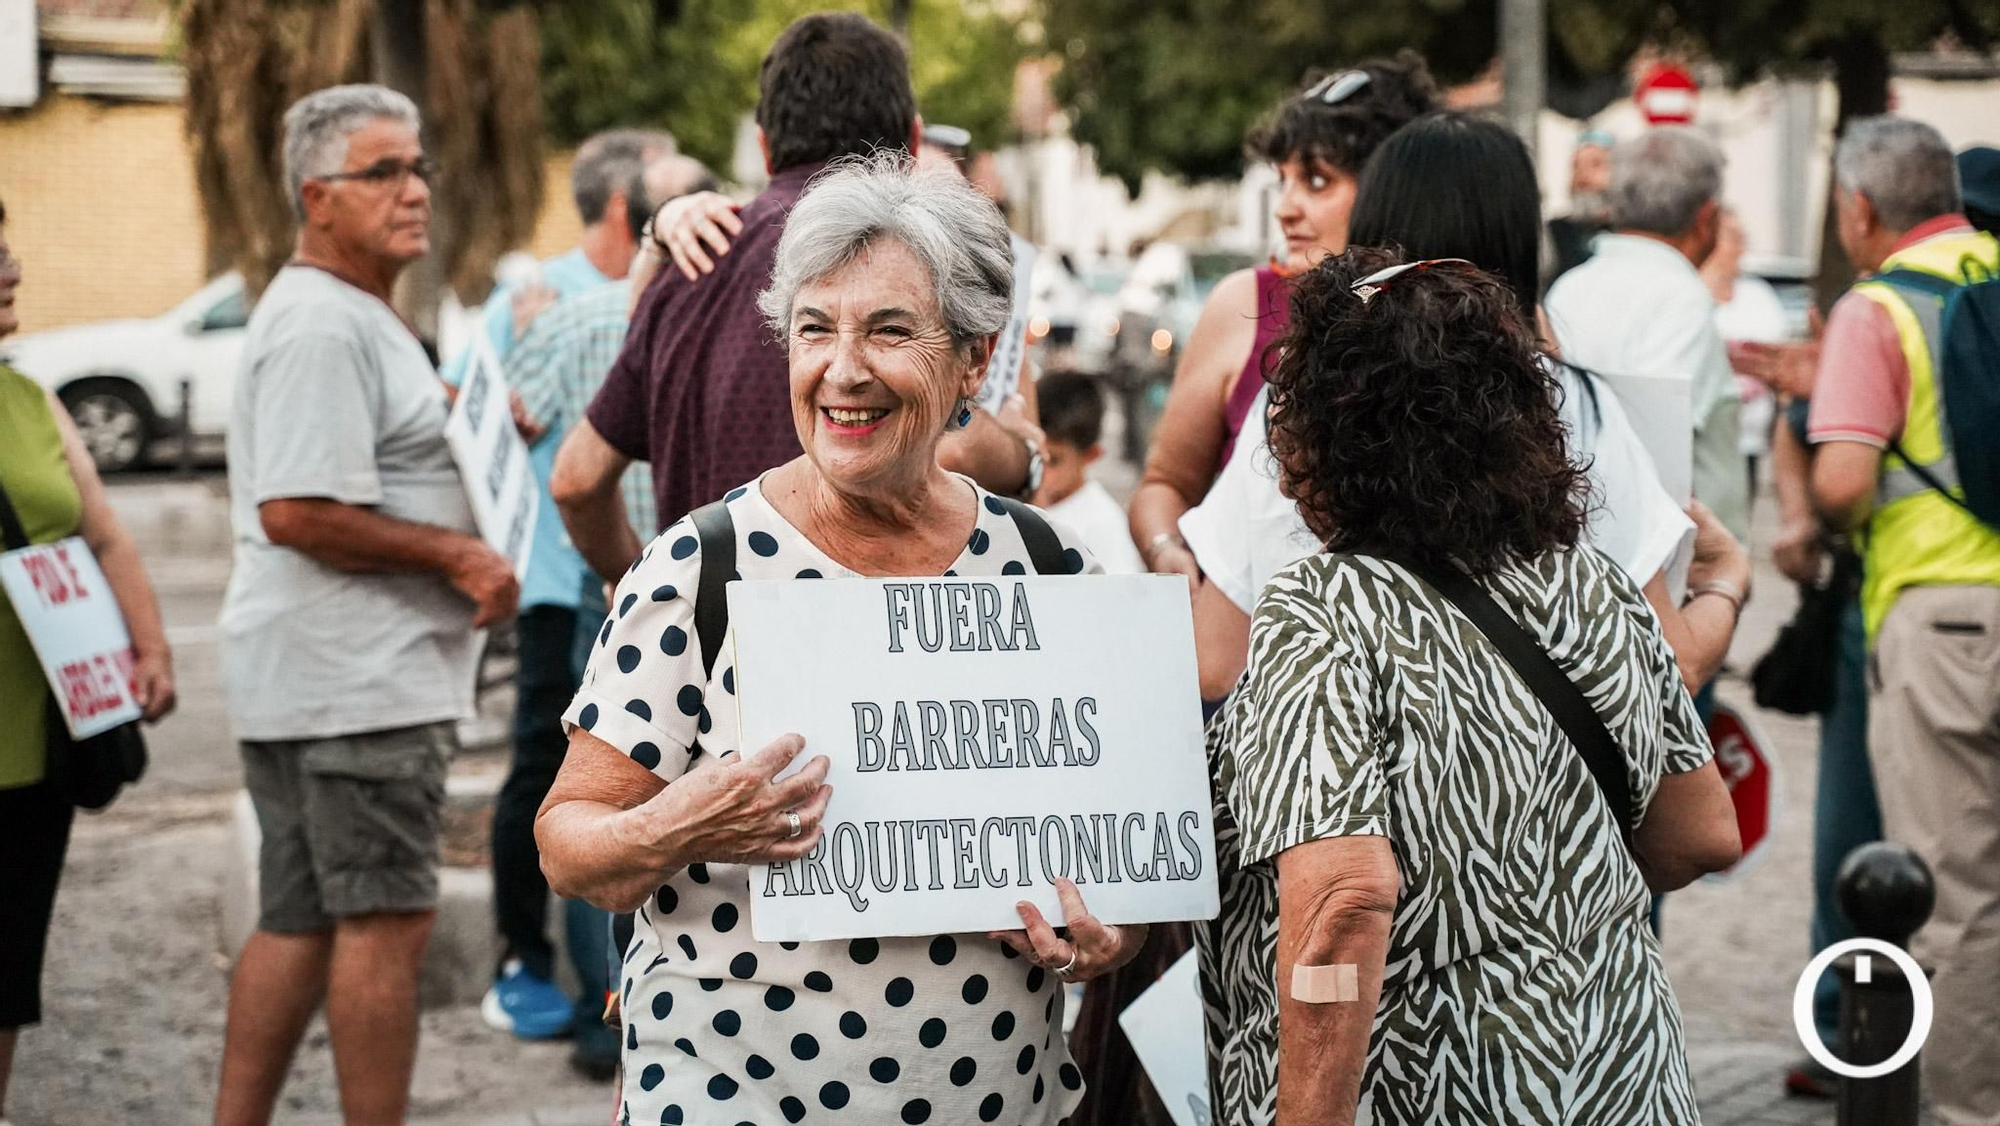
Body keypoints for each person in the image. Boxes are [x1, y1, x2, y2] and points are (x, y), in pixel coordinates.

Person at [535, 155, 1140, 1126]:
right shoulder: (703, 570)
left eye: (889, 331)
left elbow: (1117, 877)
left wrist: (1102, 931)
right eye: (814, 329)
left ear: (974, 363)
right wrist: (680, 825)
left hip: (995, 1101)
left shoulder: (1046, 569)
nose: (841, 370)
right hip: (737, 1100)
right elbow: (567, 846)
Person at [1203, 247, 1741, 1126]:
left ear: (1323, 438)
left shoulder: (1325, 609)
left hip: (1427, 1093)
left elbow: (1342, 905)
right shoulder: (1592, 583)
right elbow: (1702, 835)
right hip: (1620, 1083)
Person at [1180, 113, 1744, 703]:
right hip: (1531, 788)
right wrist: (1727, 581)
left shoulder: (1300, 399)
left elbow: (1215, 663)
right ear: (1517, 245)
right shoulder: (1575, 404)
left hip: (1334, 776)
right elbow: (1669, 666)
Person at [212, 85, 520, 1126]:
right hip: (357, 684)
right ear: (317, 198)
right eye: (381, 171)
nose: (414, 189)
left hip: (330, 680)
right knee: (385, 923)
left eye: (418, 165)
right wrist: (460, 556)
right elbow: (298, 508)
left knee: (300, 921)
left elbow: (373, 463)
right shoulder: (317, 324)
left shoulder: (353, 313)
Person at [555, 12, 1045, 583]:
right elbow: (954, 453)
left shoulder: (690, 261)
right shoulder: (928, 267)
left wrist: (645, 583)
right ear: (912, 142)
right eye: (812, 327)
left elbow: (578, 480)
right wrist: (1022, 452)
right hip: (898, 642)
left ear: (764, 149)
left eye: (887, 330)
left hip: (716, 646)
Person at [490, 151, 714, 1080]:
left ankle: (603, 1012)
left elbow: (510, 425)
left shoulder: (575, 316)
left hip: (611, 571)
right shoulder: (758, 318)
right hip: (709, 572)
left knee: (599, 786)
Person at [1806, 115, 2000, 1126]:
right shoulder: (1993, 270)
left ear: (1858, 207)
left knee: (1958, 892)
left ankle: (1967, 1113)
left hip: (1942, 625)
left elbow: (1842, 479)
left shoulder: (1877, 308)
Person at [1126, 54, 1439, 588]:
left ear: (1393, 186)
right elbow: (1163, 484)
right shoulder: (1245, 302)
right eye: (1284, 180)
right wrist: (1167, 550)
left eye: (1318, 181)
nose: (1285, 208)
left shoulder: (1458, 315)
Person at [0, 196, 176, 1122]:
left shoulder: (28, 399)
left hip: (34, 746)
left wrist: (148, 645)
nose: (12, 267)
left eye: (9, 246)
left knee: (4, 982)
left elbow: (104, 535)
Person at [1546, 127, 1751, 548]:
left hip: (1590, 547)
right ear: (1706, 216)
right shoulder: (1682, 299)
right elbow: (1660, 440)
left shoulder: (1571, 287)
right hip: (1670, 568)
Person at [1704, 207, 1789, 506]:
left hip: (1749, 439)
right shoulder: (1689, 296)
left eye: (1743, 238)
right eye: (1732, 237)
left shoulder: (1758, 297)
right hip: (1704, 441)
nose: (1740, 247)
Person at [1032, 372, 1143, 574]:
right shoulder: (1015, 500)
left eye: (1054, 460)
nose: (1039, 468)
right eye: (1032, 453)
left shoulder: (1103, 526)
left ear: (1091, 456)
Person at [1545, 127, 1615, 284]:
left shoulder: (1627, 231)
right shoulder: (1555, 232)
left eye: (1595, 164)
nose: (1582, 175)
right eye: (1576, 165)